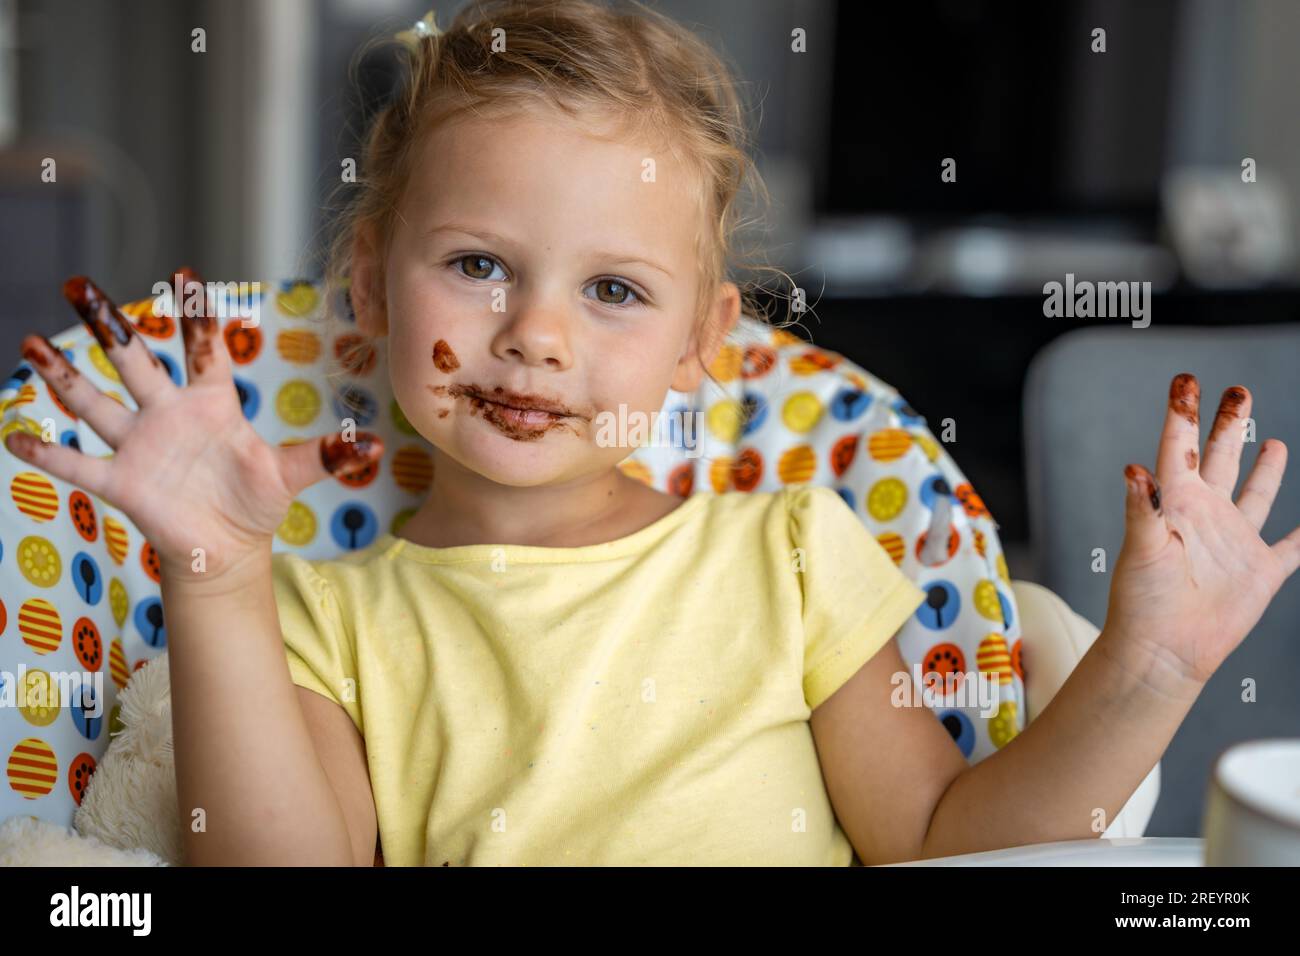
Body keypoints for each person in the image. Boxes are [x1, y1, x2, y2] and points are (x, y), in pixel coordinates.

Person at [7, 0, 1299, 866]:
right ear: (366, 287)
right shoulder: (325, 619)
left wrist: (1154, 668)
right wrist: (220, 576)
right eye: (475, 265)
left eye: (613, 290)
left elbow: (951, 842)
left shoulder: (795, 551)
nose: (538, 337)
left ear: (703, 345)